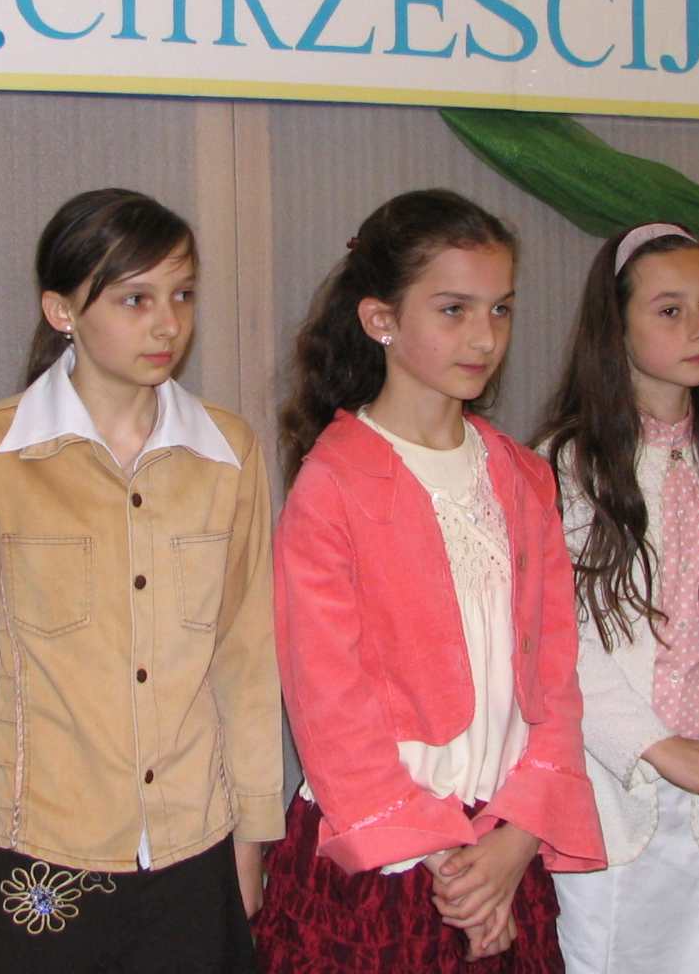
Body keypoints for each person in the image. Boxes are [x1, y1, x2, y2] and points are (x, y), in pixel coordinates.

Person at [0, 188, 282, 974]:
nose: (167, 324)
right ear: (62, 311)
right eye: (135, 299)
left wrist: (254, 834)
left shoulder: (230, 452)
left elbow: (247, 660)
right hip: (42, 843)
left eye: (182, 295)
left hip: (196, 841)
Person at [252, 188, 604, 973]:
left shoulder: (523, 478)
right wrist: (450, 863)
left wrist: (515, 841)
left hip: (502, 848)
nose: (485, 336)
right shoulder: (334, 483)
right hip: (387, 859)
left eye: (501, 309)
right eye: (454, 310)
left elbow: (556, 678)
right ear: (381, 320)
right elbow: (329, 706)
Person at [532, 224, 699, 974]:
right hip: (612, 786)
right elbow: (559, 643)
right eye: (670, 310)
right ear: (617, 326)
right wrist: (658, 748)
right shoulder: (569, 464)